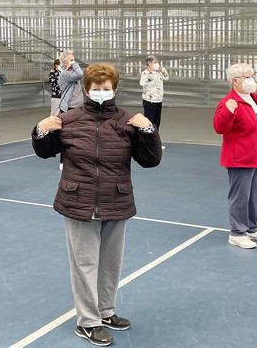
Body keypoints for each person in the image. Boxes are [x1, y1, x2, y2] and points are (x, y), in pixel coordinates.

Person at [32, 63, 162, 347]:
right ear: (86, 89)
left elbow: (150, 160)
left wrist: (150, 130)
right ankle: (88, 321)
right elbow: (45, 152)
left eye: (106, 88)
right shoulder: (69, 119)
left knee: (111, 264)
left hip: (116, 199)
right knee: (85, 264)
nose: (101, 92)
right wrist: (40, 130)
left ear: (114, 89)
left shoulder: (128, 121)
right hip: (78, 200)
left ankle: (106, 311)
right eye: (95, 88)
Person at [213, 63, 257, 249]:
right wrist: (229, 110)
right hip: (240, 158)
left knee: (254, 194)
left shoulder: (255, 98)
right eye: (248, 77)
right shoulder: (228, 101)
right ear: (236, 81)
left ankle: (251, 228)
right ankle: (237, 232)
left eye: (253, 76)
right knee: (240, 196)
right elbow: (219, 127)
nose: (252, 80)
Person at [140, 55, 169, 149]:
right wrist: (149, 73)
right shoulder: (145, 73)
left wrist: (161, 69)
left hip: (158, 100)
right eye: (155, 62)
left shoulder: (159, 72)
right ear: (149, 63)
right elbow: (142, 83)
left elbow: (166, 77)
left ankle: (156, 143)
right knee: (149, 122)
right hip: (149, 101)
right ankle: (146, 143)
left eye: (157, 62)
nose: (157, 64)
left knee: (157, 122)